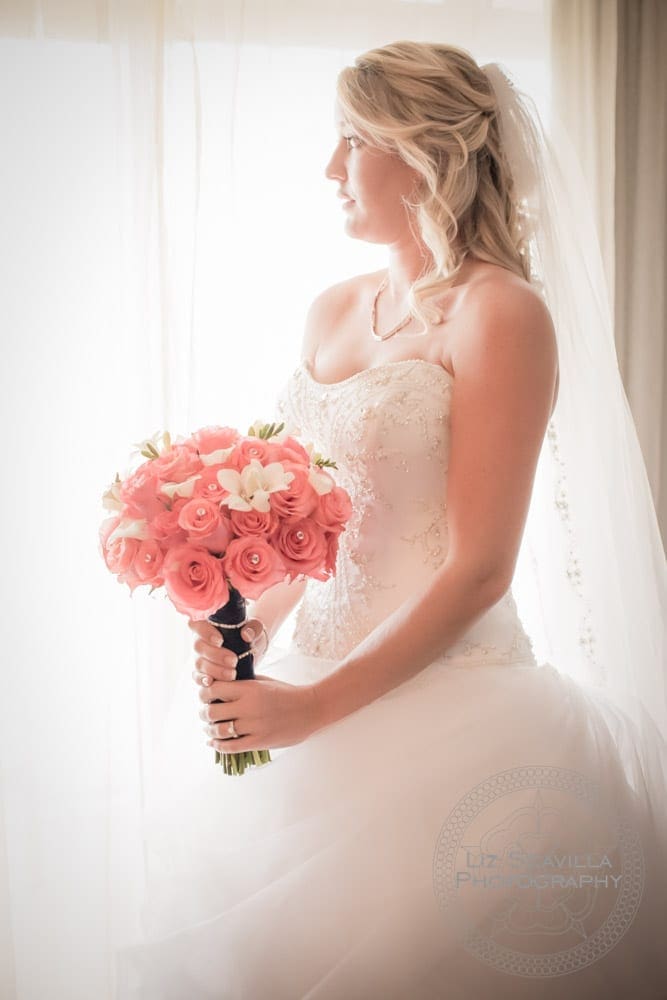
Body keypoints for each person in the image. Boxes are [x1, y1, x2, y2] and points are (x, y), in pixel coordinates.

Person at [115, 42, 667, 999]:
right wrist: (250, 626)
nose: (331, 169)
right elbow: (312, 536)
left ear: (427, 154)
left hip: (453, 713)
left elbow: (481, 568)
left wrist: (312, 709)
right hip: (304, 691)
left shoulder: (501, 315)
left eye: (351, 140)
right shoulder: (332, 309)